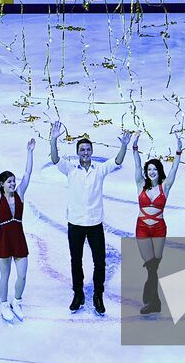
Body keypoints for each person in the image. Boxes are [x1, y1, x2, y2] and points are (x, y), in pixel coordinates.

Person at [50, 121, 130, 315]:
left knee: (99, 262)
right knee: (76, 261)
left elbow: (117, 161)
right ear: (78, 153)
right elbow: (55, 159)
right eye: (82, 150)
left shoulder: (99, 170)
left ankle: (98, 295)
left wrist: (124, 146)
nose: (85, 152)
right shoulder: (71, 170)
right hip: (76, 223)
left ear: (92, 151)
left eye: (88, 149)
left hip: (95, 224)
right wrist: (53, 140)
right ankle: (78, 294)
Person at [0, 140, 36, 322]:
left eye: (14, 181)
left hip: (19, 238)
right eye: (9, 181)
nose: (13, 183)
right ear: (2, 184)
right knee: (4, 275)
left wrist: (29, 152)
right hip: (5, 239)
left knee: (22, 275)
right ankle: (4, 304)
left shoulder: (20, 193)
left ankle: (17, 301)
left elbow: (27, 173)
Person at [131, 131, 185, 314]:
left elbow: (174, 169)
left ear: (159, 171)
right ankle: (154, 301)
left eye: (154, 169)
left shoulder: (165, 186)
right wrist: (135, 146)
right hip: (142, 228)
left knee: (154, 264)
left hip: (159, 228)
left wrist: (178, 151)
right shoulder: (140, 184)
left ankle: (153, 301)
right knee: (150, 264)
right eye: (149, 170)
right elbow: (136, 164)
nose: (151, 172)